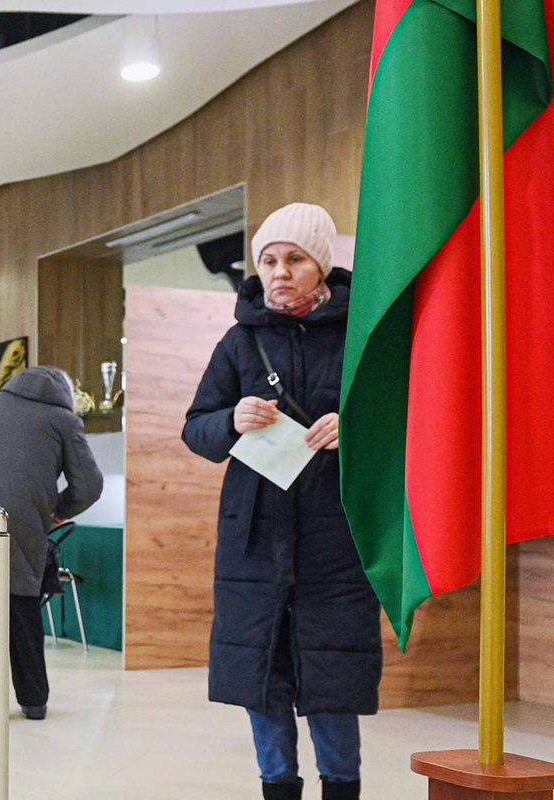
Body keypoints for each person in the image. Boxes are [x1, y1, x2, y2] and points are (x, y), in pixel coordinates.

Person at [182, 203, 381, 800]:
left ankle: (342, 786)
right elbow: (196, 428)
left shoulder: (359, 333)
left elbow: (404, 421)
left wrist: (356, 428)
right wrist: (231, 420)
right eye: (268, 260)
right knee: (262, 678)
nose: (279, 271)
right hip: (255, 540)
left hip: (336, 539)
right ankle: (277, 786)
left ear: (321, 265)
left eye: (294, 258)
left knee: (332, 678)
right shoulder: (239, 341)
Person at [0, 365, 103, 720]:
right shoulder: (64, 420)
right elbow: (89, 485)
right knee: (19, 606)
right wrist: (57, 509)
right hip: (16, 520)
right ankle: (33, 701)